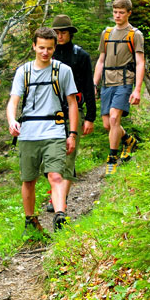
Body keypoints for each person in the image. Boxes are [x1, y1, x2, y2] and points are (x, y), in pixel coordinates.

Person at [7, 27, 80, 233]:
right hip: (28, 133)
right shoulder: (24, 72)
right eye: (41, 48)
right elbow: (13, 101)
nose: (45, 52)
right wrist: (12, 121)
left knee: (55, 175)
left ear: (55, 47)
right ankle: (30, 221)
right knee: (28, 179)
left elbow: (72, 103)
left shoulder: (63, 71)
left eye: (49, 48)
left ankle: (60, 216)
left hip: (54, 131)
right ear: (34, 46)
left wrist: (72, 134)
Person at [92, 0, 145, 175]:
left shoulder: (135, 35)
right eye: (115, 12)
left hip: (125, 80)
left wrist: (137, 90)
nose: (117, 16)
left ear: (129, 13)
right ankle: (129, 140)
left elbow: (140, 62)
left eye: (121, 13)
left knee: (115, 118)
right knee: (108, 124)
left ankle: (112, 159)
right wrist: (94, 83)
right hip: (107, 81)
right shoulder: (106, 33)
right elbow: (100, 60)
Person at [49, 14, 96, 204]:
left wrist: (90, 117)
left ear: (70, 33)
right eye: (57, 33)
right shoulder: (46, 55)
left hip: (73, 111)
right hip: (49, 113)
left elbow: (88, 87)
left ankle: (60, 199)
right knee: (51, 157)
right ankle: (58, 192)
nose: (60, 36)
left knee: (68, 156)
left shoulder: (80, 56)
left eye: (64, 32)